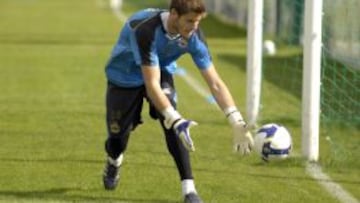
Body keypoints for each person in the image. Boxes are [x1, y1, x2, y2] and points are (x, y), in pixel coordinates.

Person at [102, 0, 254, 202]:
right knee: (117, 138)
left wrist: (236, 120)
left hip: (160, 71)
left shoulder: (195, 36)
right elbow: (151, 84)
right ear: (174, 14)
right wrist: (175, 118)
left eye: (198, 21)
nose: (194, 27)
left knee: (174, 127)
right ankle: (114, 161)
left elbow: (215, 83)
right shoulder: (146, 31)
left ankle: (189, 190)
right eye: (190, 21)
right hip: (124, 76)